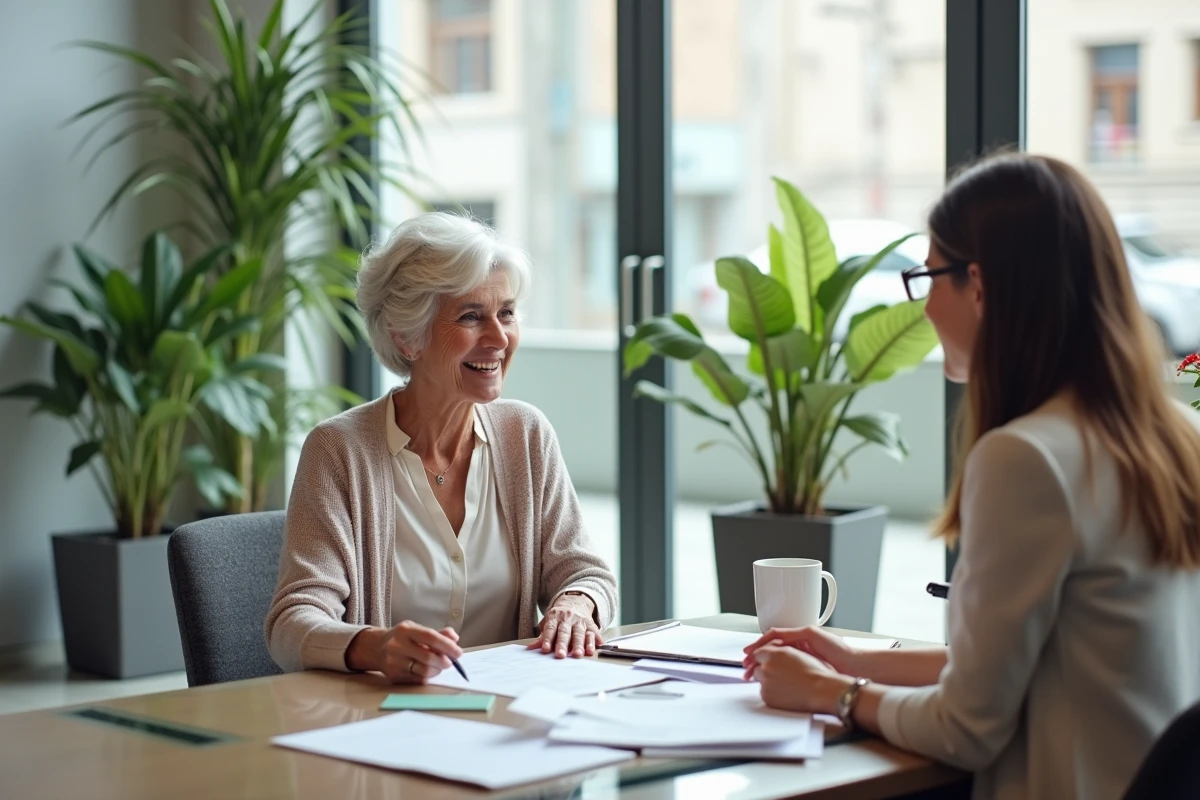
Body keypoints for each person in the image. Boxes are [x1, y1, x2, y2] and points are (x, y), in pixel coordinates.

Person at [742, 153, 1200, 799]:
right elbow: (1053, 661)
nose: (925, 308)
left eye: (928, 278)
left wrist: (830, 692)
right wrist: (853, 659)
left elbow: (966, 728)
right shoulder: (1177, 440)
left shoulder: (1028, 458)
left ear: (978, 285)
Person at [265, 212, 618, 684]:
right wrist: (375, 646)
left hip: (509, 717)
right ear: (407, 337)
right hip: (384, 722)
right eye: (471, 316)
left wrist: (577, 603)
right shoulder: (339, 450)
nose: (498, 339)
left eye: (507, 313)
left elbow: (586, 573)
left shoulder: (525, 435)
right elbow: (292, 622)